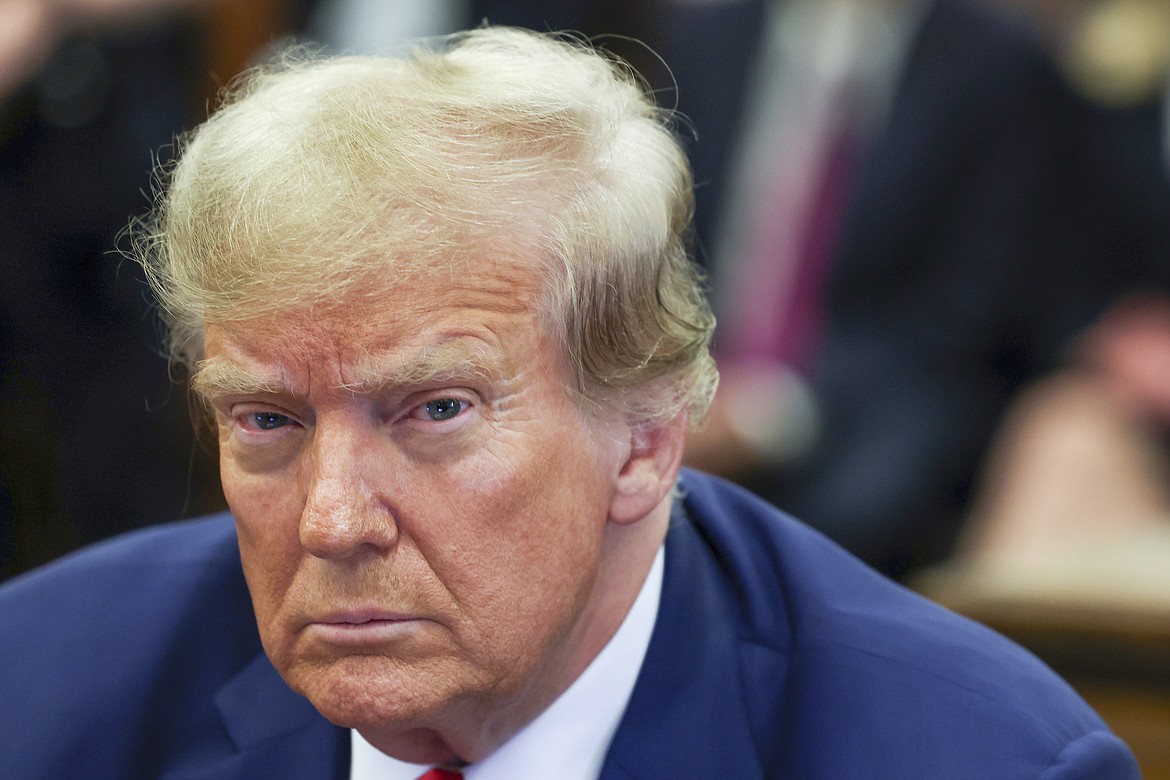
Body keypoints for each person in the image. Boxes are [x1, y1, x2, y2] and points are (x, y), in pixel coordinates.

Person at [0, 26, 1140, 779]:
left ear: (645, 439)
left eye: (435, 412)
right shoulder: (44, 689)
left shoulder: (977, 759)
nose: (333, 519)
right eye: (269, 421)